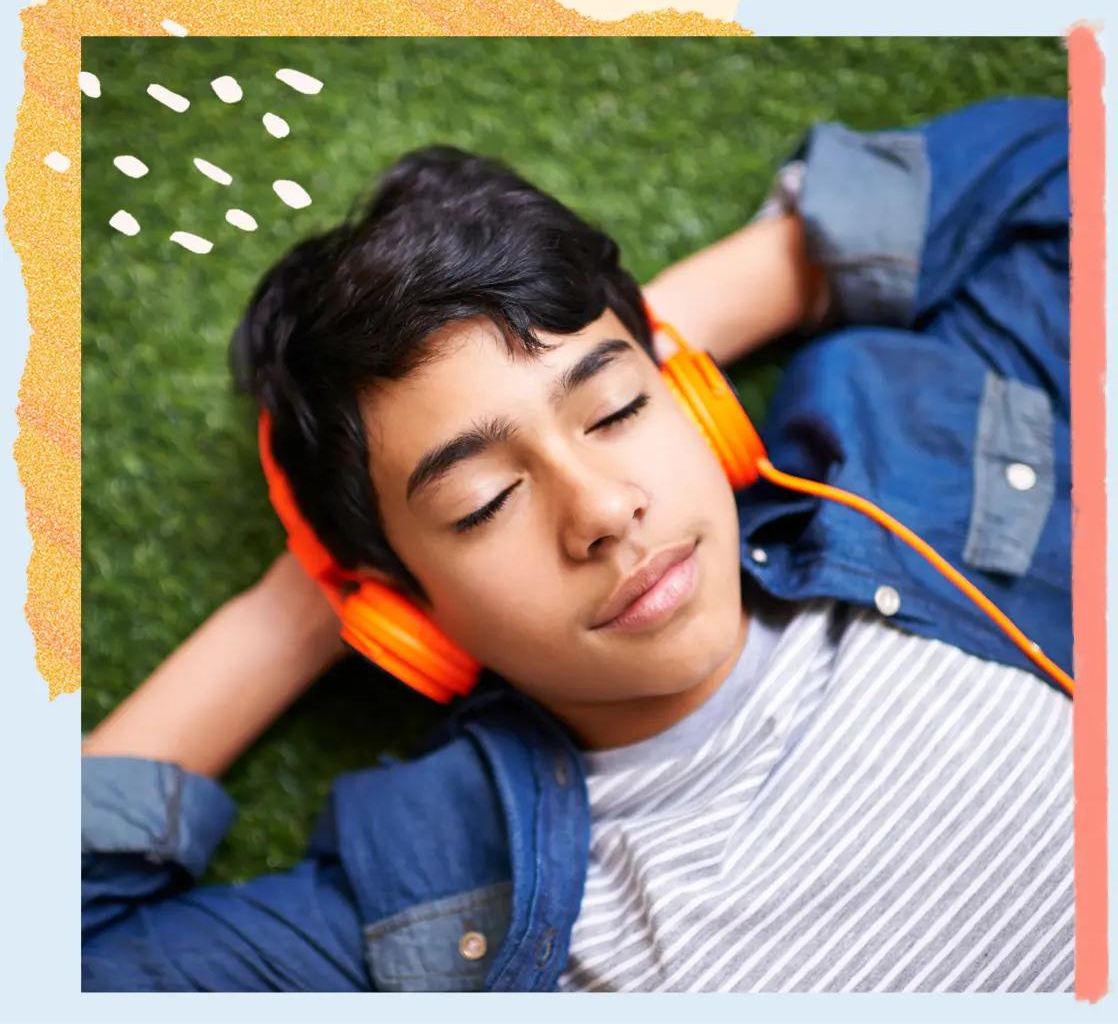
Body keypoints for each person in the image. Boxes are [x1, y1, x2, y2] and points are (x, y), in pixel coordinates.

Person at [81, 95, 1074, 993]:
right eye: (483, 500)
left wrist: (669, 319)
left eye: (613, 408)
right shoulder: (422, 897)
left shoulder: (913, 457)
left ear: (697, 405)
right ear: (409, 614)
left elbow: (1069, 164)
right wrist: (297, 613)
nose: (601, 507)